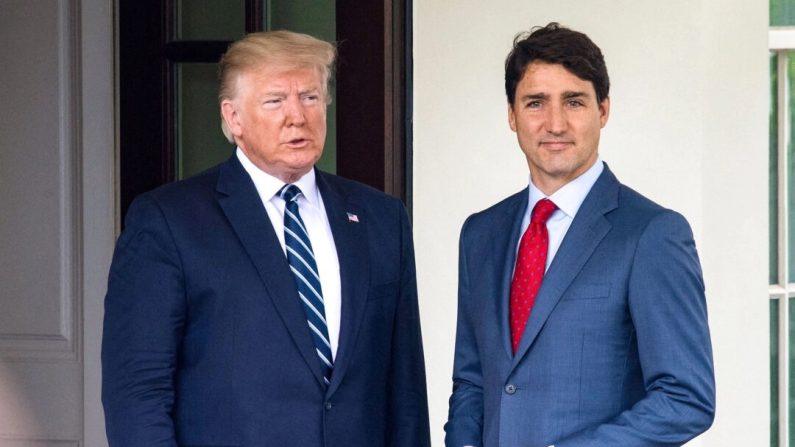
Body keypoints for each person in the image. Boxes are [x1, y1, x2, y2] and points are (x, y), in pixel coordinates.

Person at [102, 30, 431, 447]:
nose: (297, 116)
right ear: (233, 117)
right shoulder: (169, 220)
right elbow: (137, 393)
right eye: (275, 100)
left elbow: (405, 391)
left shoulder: (381, 218)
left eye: (310, 97)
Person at [444, 23, 715, 447]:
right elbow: (473, 380)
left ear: (603, 110)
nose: (555, 123)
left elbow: (686, 398)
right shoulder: (481, 234)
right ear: (512, 115)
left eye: (574, 101)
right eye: (535, 103)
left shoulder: (652, 234)